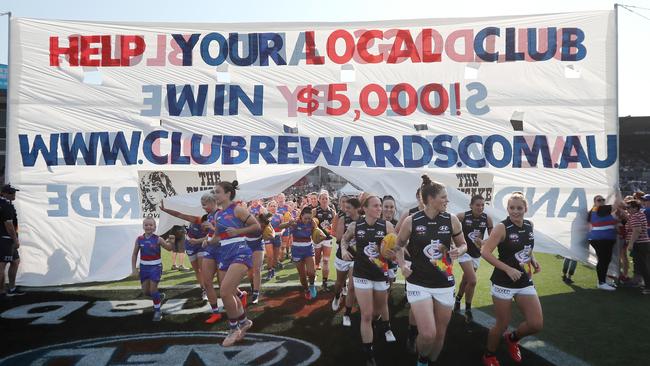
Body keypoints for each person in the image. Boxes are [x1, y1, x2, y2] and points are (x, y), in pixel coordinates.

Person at [395, 176, 467, 366]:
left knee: (440, 334)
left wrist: (458, 250)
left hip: (444, 283)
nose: (447, 201)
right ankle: (420, 356)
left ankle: (424, 360)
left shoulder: (452, 220)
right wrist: (403, 265)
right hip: (419, 283)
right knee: (428, 334)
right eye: (443, 197)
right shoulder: (412, 221)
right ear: (430, 199)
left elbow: (464, 245)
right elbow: (398, 245)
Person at [479, 192, 543, 366]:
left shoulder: (529, 225)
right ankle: (489, 355)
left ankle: (512, 339)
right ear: (507, 209)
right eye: (511, 208)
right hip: (503, 283)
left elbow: (527, 248)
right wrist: (507, 269)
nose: (515, 211)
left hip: (523, 280)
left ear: (526, 209)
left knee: (536, 324)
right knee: (502, 324)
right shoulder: (502, 227)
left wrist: (533, 260)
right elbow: (484, 252)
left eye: (519, 208)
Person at [203, 180, 260, 346]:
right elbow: (218, 237)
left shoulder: (237, 209)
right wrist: (207, 240)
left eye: (217, 192)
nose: (215, 195)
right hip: (224, 254)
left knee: (225, 291)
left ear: (228, 193)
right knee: (230, 293)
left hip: (240, 251)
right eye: (214, 192)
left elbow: (256, 226)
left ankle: (234, 329)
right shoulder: (217, 214)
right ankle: (244, 322)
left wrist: (238, 231)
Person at [341, 195, 397, 366]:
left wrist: (396, 256)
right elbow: (344, 239)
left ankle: (386, 326)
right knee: (366, 314)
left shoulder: (387, 225)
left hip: (380, 273)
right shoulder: (355, 225)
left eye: (380, 206)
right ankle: (369, 352)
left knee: (379, 310)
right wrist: (344, 249)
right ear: (364, 209)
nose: (379, 209)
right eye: (375, 206)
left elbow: (398, 245)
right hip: (361, 274)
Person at [159, 199, 215, 304]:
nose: (205, 227)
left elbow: (212, 236)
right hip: (190, 244)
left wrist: (199, 240)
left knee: (202, 269)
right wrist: (165, 209)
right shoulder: (196, 219)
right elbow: (178, 214)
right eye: (204, 225)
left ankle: (205, 290)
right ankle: (203, 287)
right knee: (197, 270)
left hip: (202, 244)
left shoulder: (214, 222)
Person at [455, 195, 493, 322]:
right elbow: (448, 225)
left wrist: (483, 242)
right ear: (471, 205)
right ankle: (468, 309)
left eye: (482, 205)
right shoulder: (462, 216)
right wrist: (452, 243)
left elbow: (494, 238)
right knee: (472, 280)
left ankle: (458, 299)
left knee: (466, 280)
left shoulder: (487, 218)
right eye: (477, 205)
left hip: (477, 254)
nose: (480, 207)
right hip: (464, 252)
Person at [131, 217, 174, 321]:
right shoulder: (139, 239)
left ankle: (158, 311)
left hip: (156, 267)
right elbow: (134, 254)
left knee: (153, 289)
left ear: (155, 227)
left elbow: (169, 248)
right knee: (146, 291)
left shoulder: (158, 239)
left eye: (151, 225)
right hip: (144, 268)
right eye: (146, 225)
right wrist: (134, 269)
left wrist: (172, 242)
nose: (148, 227)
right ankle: (158, 296)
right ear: (143, 226)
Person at [332, 197, 362, 326]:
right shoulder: (343, 219)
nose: (346, 210)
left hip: (357, 258)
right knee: (339, 283)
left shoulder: (363, 220)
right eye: (345, 207)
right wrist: (349, 236)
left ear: (357, 209)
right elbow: (339, 238)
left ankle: (347, 313)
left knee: (351, 287)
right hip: (343, 255)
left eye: (349, 208)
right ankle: (337, 296)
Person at [280, 206, 321, 299]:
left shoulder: (312, 222)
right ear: (301, 216)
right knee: (302, 276)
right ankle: (306, 290)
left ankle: (311, 285)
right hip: (297, 250)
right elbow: (280, 226)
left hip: (308, 249)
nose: (307, 220)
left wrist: (319, 233)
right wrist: (288, 223)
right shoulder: (295, 222)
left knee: (311, 272)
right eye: (305, 218)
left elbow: (318, 234)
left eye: (309, 218)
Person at [587, 195, 619, 290]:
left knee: (606, 260)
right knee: (603, 261)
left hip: (604, 240)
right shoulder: (601, 209)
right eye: (599, 200)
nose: (601, 201)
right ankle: (601, 282)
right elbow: (617, 204)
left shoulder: (599, 210)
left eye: (603, 200)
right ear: (595, 202)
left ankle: (604, 280)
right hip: (601, 240)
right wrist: (616, 191)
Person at [0, 184, 23, 298]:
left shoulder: (5, 204)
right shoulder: (5, 206)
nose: (13, 194)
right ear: (3, 193)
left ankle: (12, 288)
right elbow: (9, 225)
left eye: (13, 192)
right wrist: (15, 240)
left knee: (15, 261)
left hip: (5, 238)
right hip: (6, 239)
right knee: (2, 265)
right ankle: (2, 291)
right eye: (11, 192)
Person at [626, 200, 650, 294]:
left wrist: (631, 243)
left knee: (643, 266)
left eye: (628, 207)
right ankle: (645, 284)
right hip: (643, 243)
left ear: (635, 208)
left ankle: (648, 287)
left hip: (639, 244)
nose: (627, 209)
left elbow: (637, 230)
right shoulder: (640, 214)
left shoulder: (635, 216)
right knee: (643, 265)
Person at [313, 190, 335, 290]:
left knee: (326, 261)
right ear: (319, 200)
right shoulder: (315, 211)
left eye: (326, 198)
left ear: (329, 200)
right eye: (322, 198)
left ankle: (324, 282)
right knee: (317, 261)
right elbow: (309, 224)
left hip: (328, 238)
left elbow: (335, 224)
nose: (324, 200)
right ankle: (313, 278)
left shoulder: (332, 212)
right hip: (317, 239)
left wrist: (332, 228)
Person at [264, 200, 283, 281]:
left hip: (278, 236)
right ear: (268, 207)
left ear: (277, 207)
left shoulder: (280, 216)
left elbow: (284, 226)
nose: (273, 207)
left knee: (275, 257)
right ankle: (269, 271)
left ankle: (273, 269)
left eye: (274, 206)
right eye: (271, 206)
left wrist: (282, 232)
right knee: (270, 256)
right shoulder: (265, 216)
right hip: (268, 237)